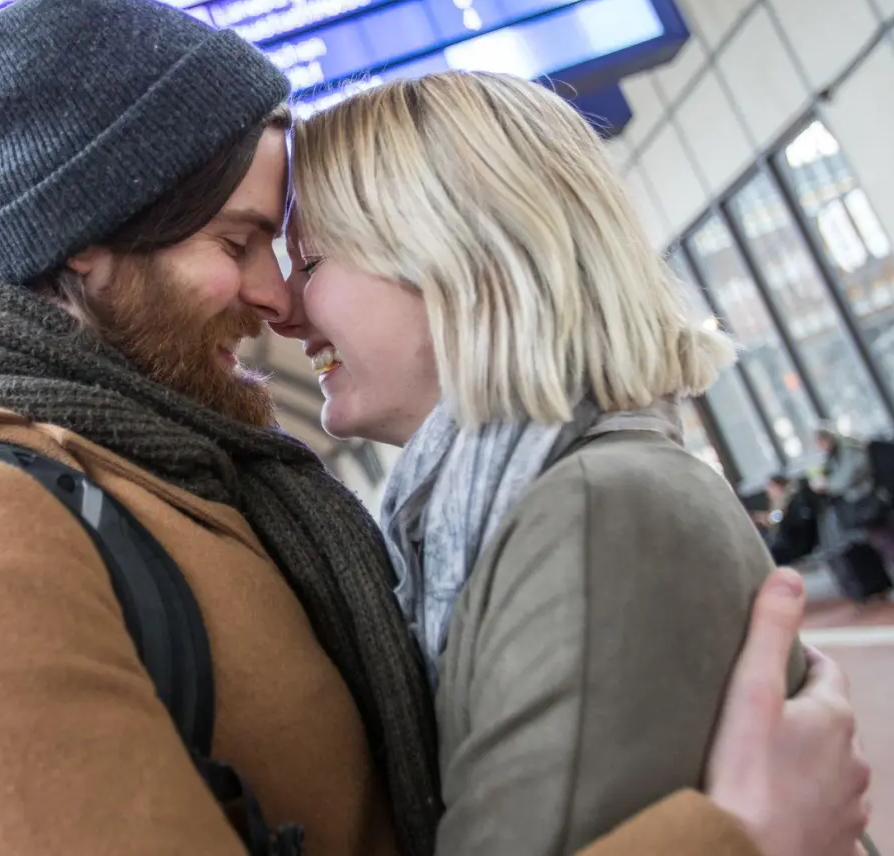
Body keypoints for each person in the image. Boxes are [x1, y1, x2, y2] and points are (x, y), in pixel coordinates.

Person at [0, 0, 868, 856]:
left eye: (298, 254)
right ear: (85, 243)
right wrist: (735, 840)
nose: (276, 299)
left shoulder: (162, 487)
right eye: (238, 244)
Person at [278, 70, 852, 856]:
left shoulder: (589, 513)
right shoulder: (535, 502)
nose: (281, 304)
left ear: (455, 252)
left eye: (310, 263)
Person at [814, 427, 894, 601]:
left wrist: (827, 485)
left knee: (886, 539)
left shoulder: (848, 449)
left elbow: (850, 475)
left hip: (868, 500)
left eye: (821, 443)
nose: (821, 448)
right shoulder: (836, 455)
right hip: (860, 502)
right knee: (880, 541)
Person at [755, 474, 823, 567]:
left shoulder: (785, 500)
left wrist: (768, 519)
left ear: (778, 486)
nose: (767, 491)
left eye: (770, 486)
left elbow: (778, 517)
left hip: (796, 542)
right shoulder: (789, 497)